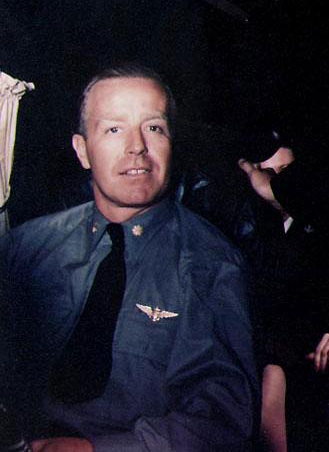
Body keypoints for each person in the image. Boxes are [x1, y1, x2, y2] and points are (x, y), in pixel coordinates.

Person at [0, 64, 260, 452]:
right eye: (113, 129)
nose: (137, 146)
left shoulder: (211, 265)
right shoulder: (26, 247)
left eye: (153, 127)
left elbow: (221, 421)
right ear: (82, 150)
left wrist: (95, 450)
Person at [237, 129, 329, 452]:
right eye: (267, 173)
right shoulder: (251, 231)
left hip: (314, 359)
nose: (275, 183)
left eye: (285, 173)